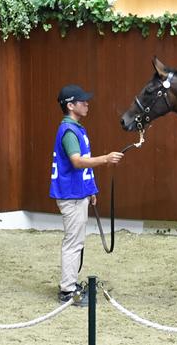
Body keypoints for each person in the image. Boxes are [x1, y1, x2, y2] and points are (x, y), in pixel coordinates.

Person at [49, 84, 124, 306]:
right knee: (73, 242)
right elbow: (77, 161)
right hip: (71, 195)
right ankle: (67, 290)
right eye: (82, 101)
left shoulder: (76, 129)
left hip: (77, 192)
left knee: (76, 241)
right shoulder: (70, 131)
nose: (87, 104)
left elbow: (81, 165)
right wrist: (106, 159)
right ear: (70, 106)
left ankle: (71, 284)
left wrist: (90, 189)